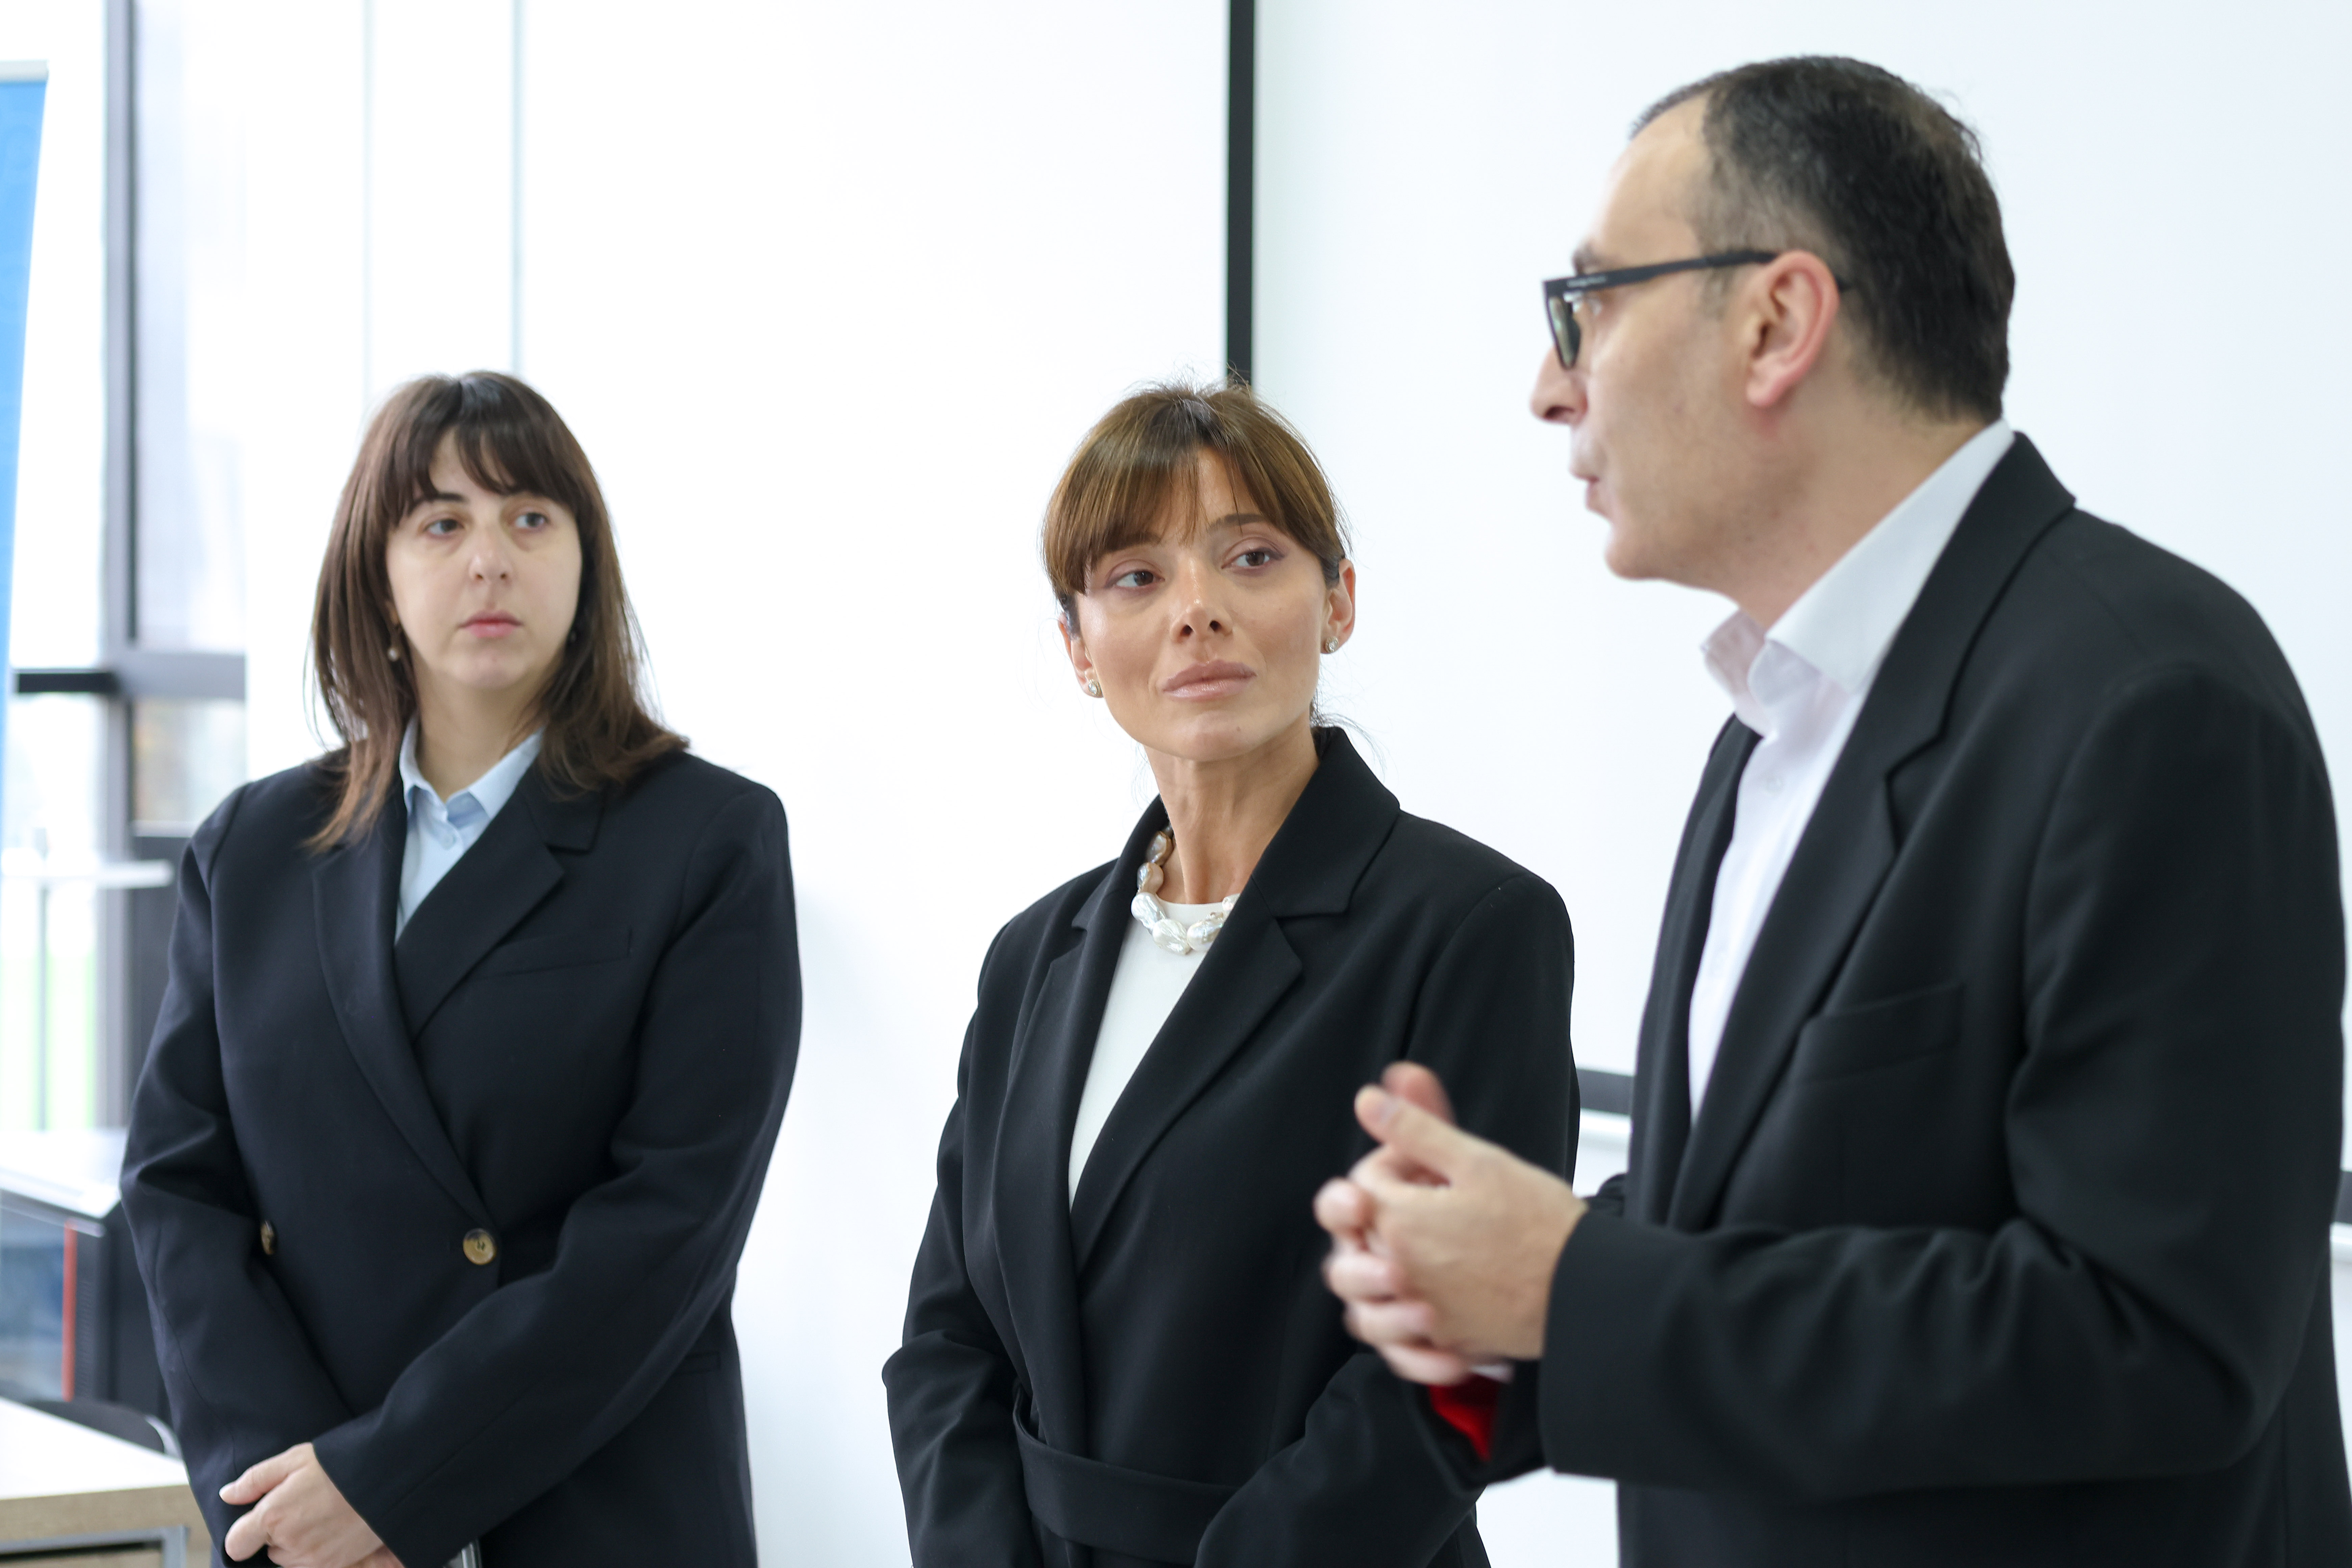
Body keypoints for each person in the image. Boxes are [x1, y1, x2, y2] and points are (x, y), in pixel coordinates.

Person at [1316, 55, 2350, 1567]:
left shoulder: (2154, 702)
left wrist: (1575, 1286)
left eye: (1587, 303)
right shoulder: (1774, 716)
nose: (1549, 385)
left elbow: (2156, 1339)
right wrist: (1494, 1316)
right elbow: (1779, 1216)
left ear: (1777, 322)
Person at [883, 381, 1576, 1568]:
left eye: (1250, 558)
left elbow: (1464, 1368)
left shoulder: (1471, 927)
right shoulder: (1032, 957)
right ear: (1079, 649)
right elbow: (950, 1339)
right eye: (1135, 577)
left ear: (1338, 600)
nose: (1195, 610)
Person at [120, 372, 801, 1568]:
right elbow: (181, 1190)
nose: (490, 559)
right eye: (441, 523)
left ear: (586, 567)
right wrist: (287, 1493)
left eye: (530, 518)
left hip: (594, 1511)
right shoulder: (254, 849)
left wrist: (392, 1483)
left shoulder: (708, 837)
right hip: (306, 1519)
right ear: (376, 577)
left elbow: (671, 1227)